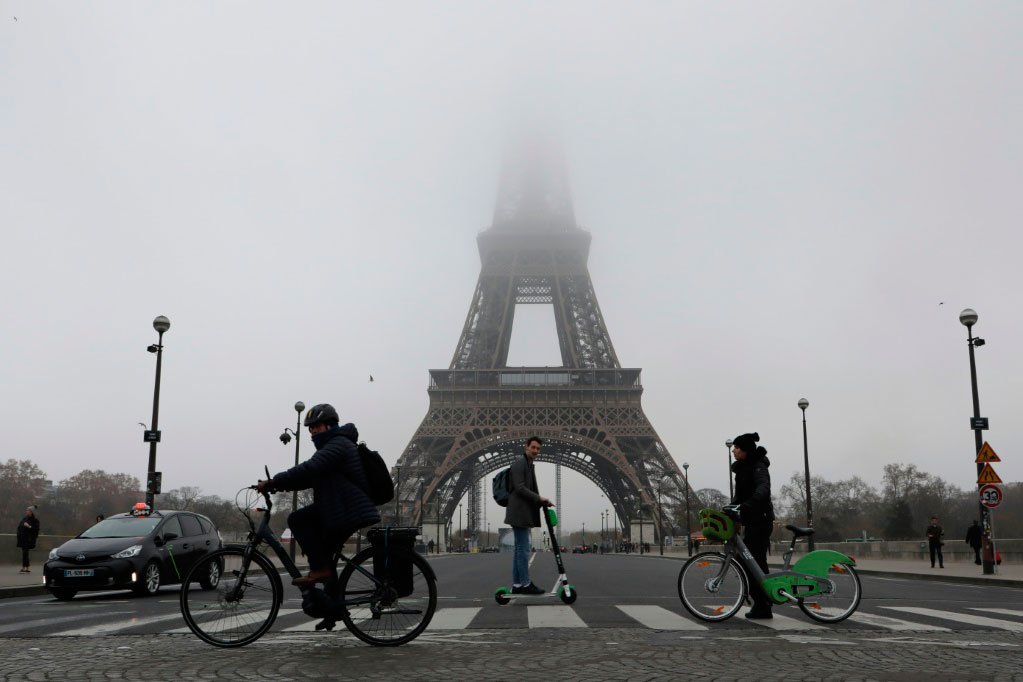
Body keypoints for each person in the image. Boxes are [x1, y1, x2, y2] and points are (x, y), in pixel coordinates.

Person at [258, 404, 380, 586]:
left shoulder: (338, 444)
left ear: (329, 425)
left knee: (297, 520)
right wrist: (279, 486)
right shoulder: (337, 444)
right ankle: (332, 605)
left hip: (347, 509)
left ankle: (320, 570)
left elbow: (310, 468)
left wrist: (275, 481)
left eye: (316, 426)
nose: (312, 431)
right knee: (325, 556)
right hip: (342, 507)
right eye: (310, 428)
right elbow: (309, 479)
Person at [730, 432, 775, 619]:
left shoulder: (758, 466)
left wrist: (748, 505)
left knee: (751, 562)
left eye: (737, 447)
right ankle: (763, 602)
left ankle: (764, 602)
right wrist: (731, 508)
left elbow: (763, 488)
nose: (733, 450)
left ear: (745, 450)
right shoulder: (742, 469)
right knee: (752, 562)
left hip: (761, 520)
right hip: (752, 520)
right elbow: (739, 496)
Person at [504, 436, 553, 594]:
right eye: (533, 447)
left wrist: (542, 501)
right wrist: (539, 498)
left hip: (522, 512)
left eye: (538, 448)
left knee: (520, 549)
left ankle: (517, 585)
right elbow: (519, 487)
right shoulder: (520, 463)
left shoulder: (529, 465)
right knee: (523, 549)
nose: (536, 451)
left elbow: (528, 489)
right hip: (519, 512)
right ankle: (525, 584)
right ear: (526, 447)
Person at [16, 506, 40, 573]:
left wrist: (29, 526)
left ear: (31, 512)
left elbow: (36, 530)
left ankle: (25, 568)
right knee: (25, 553)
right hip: (23, 539)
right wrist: (19, 534)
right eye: (26, 510)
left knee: (25, 553)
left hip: (29, 540)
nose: (26, 511)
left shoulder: (35, 520)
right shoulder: (24, 519)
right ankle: (26, 568)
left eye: (28, 510)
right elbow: (19, 527)